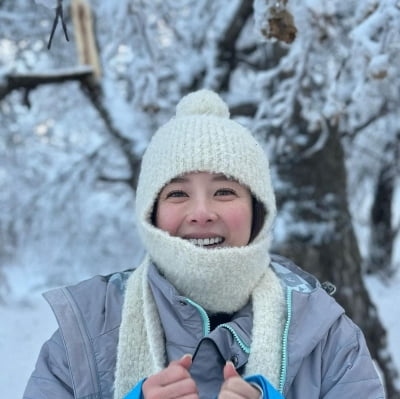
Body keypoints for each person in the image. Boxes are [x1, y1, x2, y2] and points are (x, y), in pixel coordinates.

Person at [23, 89, 385, 399]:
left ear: (258, 208)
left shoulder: (326, 334)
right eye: (178, 193)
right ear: (150, 213)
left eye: (224, 191)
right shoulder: (84, 332)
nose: (201, 212)